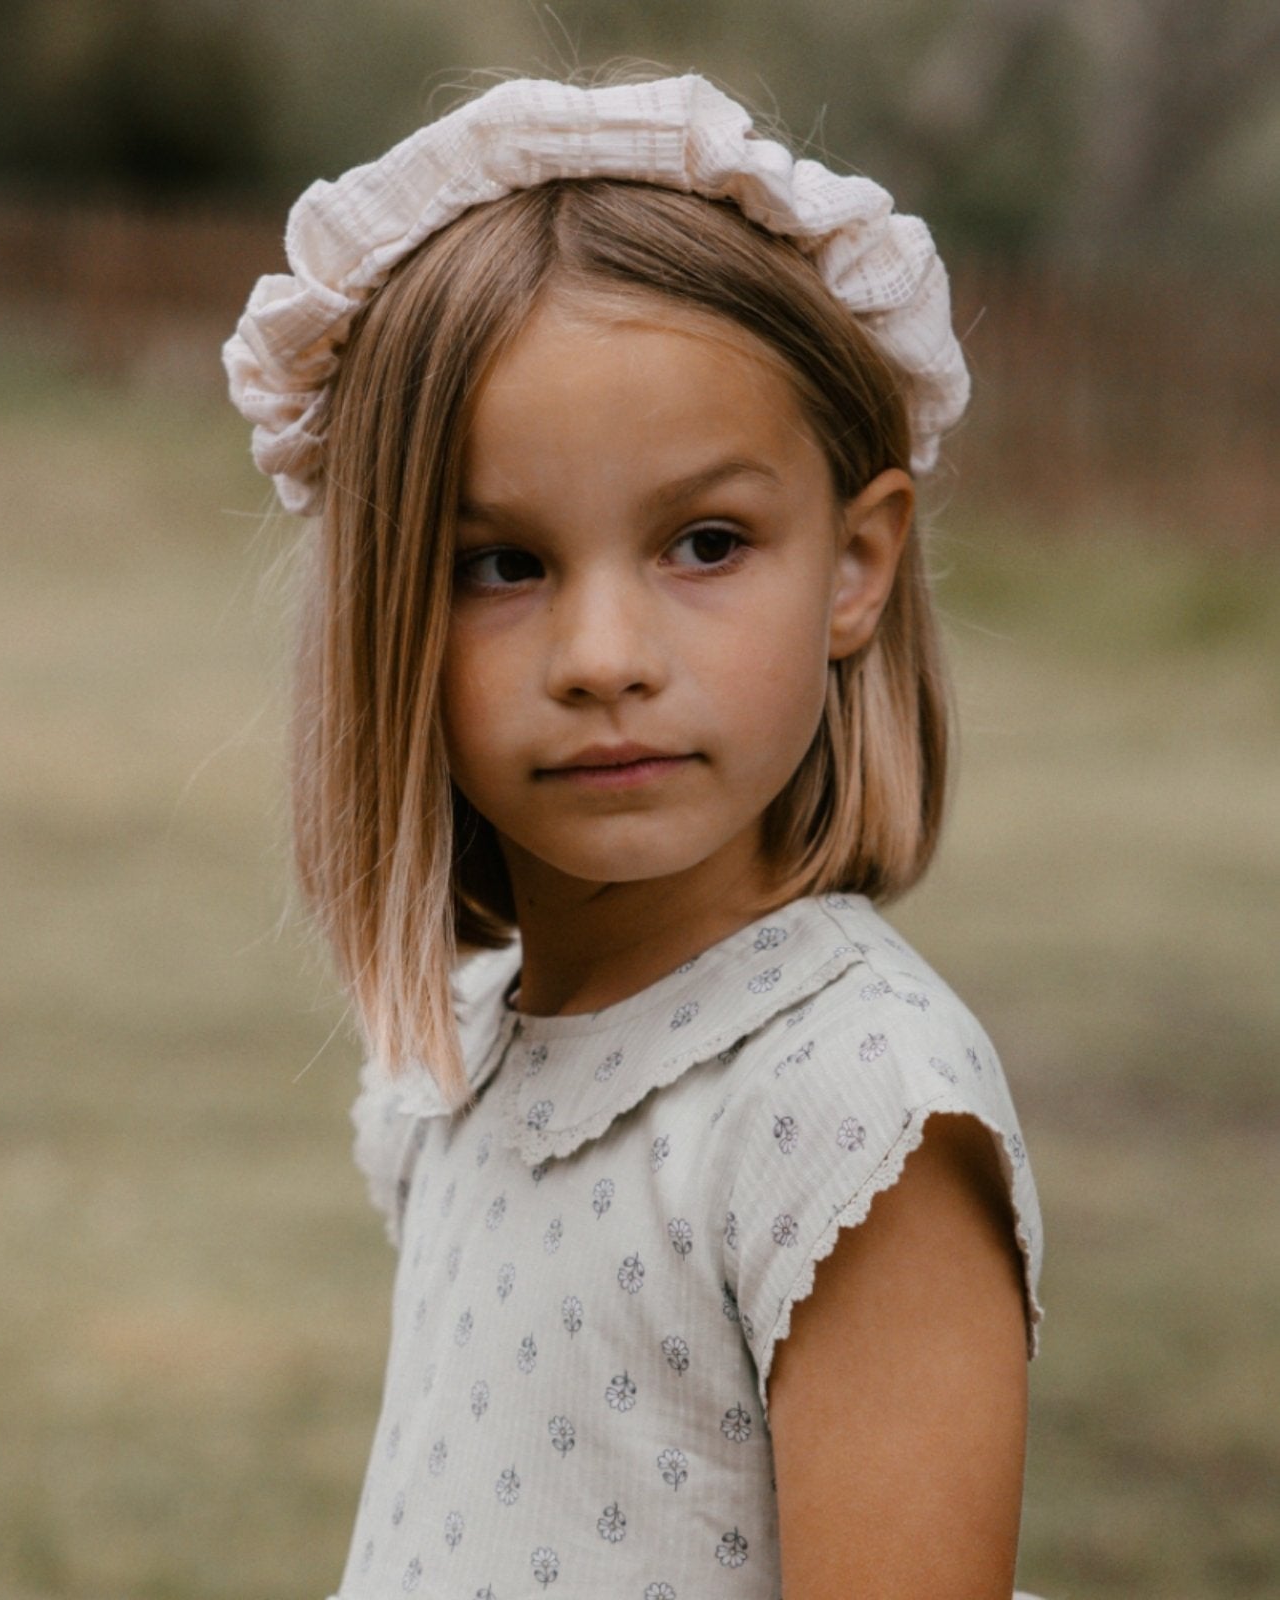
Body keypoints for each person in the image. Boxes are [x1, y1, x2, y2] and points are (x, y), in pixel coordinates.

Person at [225, 74, 1047, 1600]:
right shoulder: (463, 1065)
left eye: (704, 543)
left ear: (856, 565)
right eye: (499, 563)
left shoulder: (849, 1112)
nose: (602, 654)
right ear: (383, 607)